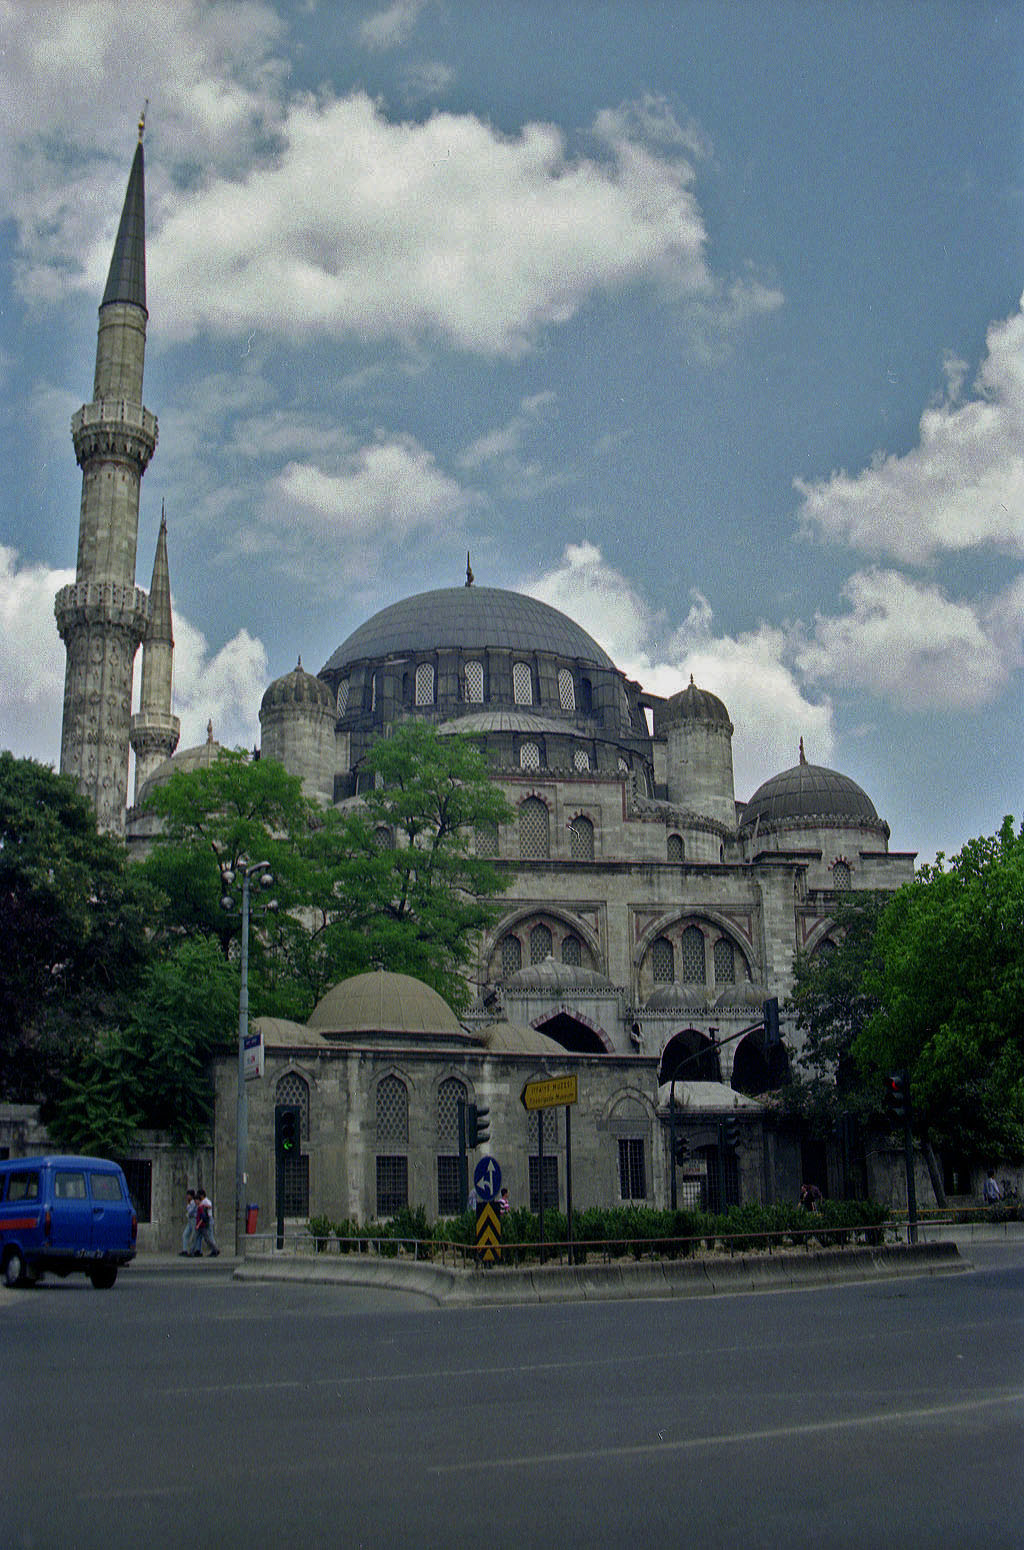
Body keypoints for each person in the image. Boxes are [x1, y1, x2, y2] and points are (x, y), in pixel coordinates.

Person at [192, 1187, 220, 1256]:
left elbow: (209, 1207)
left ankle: (215, 1250)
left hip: (207, 1220)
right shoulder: (202, 1202)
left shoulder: (205, 1201)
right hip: (204, 1221)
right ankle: (197, 1250)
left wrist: (203, 1206)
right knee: (201, 1237)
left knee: (209, 1236)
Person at [180, 1188, 197, 1256]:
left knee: (194, 1235)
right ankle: (185, 1250)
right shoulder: (190, 1202)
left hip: (194, 1219)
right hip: (190, 1220)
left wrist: (187, 1214)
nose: (187, 1197)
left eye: (188, 1195)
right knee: (185, 1234)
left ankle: (193, 1251)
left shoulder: (193, 1202)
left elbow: (191, 1211)